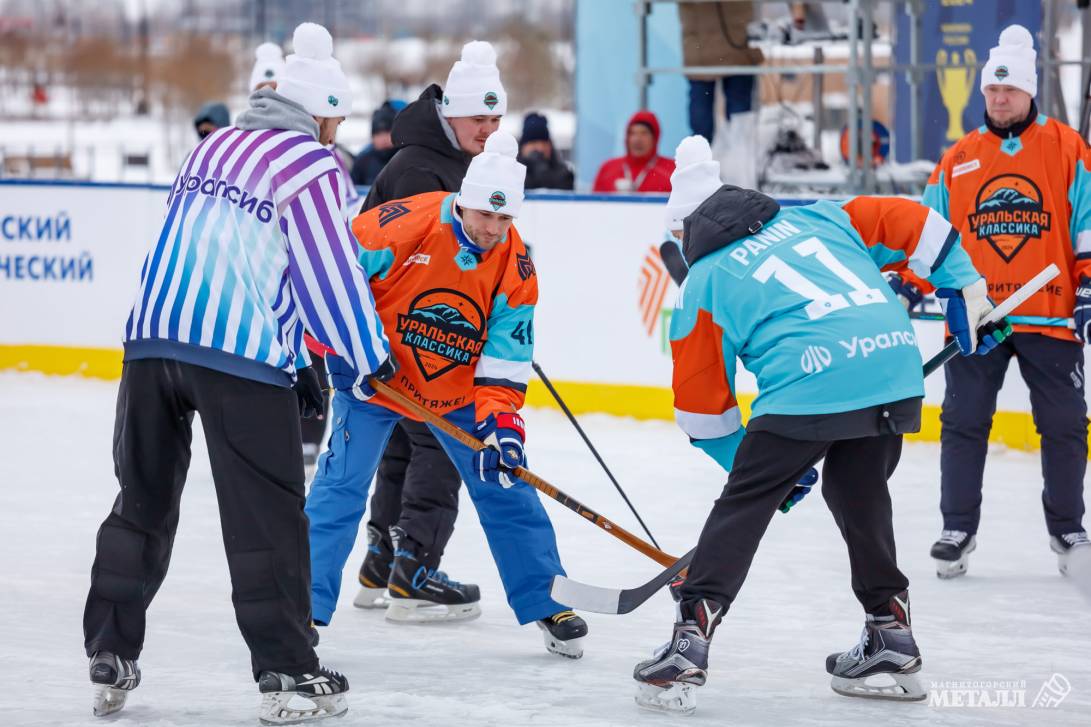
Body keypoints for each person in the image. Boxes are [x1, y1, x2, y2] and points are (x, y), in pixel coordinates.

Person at [631, 136, 1007, 714]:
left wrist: (758, 470)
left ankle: (689, 640)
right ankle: (891, 630)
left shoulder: (703, 280)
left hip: (810, 385)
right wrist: (965, 284)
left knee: (745, 501)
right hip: (893, 371)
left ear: (685, 231)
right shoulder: (822, 218)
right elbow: (916, 221)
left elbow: (704, 412)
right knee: (856, 489)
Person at [82, 22, 389, 725]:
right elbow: (329, 279)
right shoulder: (311, 165)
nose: (337, 133)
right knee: (266, 516)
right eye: (336, 119)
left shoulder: (212, 145)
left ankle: (110, 649)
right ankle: (286, 666)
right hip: (238, 356)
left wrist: (302, 357)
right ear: (319, 114)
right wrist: (368, 360)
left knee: (142, 501)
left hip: (151, 342)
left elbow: (227, 247)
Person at [307, 131, 589, 657]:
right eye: (484, 214)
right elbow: (328, 286)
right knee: (340, 485)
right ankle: (300, 607)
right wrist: (349, 356)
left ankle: (547, 600)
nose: (491, 229)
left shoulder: (516, 265)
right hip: (378, 379)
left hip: (455, 390)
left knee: (505, 483)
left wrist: (503, 428)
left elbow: (504, 360)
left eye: (505, 219)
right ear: (463, 199)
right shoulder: (400, 225)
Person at [889, 25, 1091, 579]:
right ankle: (957, 528)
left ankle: (1068, 531)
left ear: (1029, 93)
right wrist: (910, 281)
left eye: (1011, 90)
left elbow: (1089, 225)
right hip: (976, 317)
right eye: (992, 91)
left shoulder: (1069, 148)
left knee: (1066, 424)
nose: (1000, 100)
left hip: (1050, 316)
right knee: (963, 421)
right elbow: (930, 233)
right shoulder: (959, 160)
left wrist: (1090, 286)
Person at [349, 41, 508, 618]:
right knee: (443, 442)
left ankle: (381, 559)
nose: (488, 129)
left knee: (402, 446)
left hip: (403, 334)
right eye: (478, 118)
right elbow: (434, 263)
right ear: (450, 114)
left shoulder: (451, 162)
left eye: (496, 118)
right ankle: (414, 566)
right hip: (416, 333)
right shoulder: (422, 168)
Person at [678, 1, 762, 186]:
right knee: (711, 126)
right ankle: (711, 180)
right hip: (714, 52)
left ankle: (732, 179)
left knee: (737, 124)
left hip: (729, 50)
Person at [592, 111, 674, 193]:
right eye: (632, 133)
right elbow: (594, 204)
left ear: (655, 138)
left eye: (644, 133)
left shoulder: (671, 171)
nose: (637, 139)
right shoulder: (608, 169)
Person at [350, 100, 404, 186]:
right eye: (378, 133)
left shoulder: (405, 158)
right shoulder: (363, 161)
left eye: (387, 131)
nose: (383, 138)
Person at [518, 111, 574, 190]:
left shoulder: (564, 173)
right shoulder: (512, 173)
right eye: (534, 143)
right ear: (523, 146)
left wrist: (542, 171)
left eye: (544, 143)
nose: (540, 148)